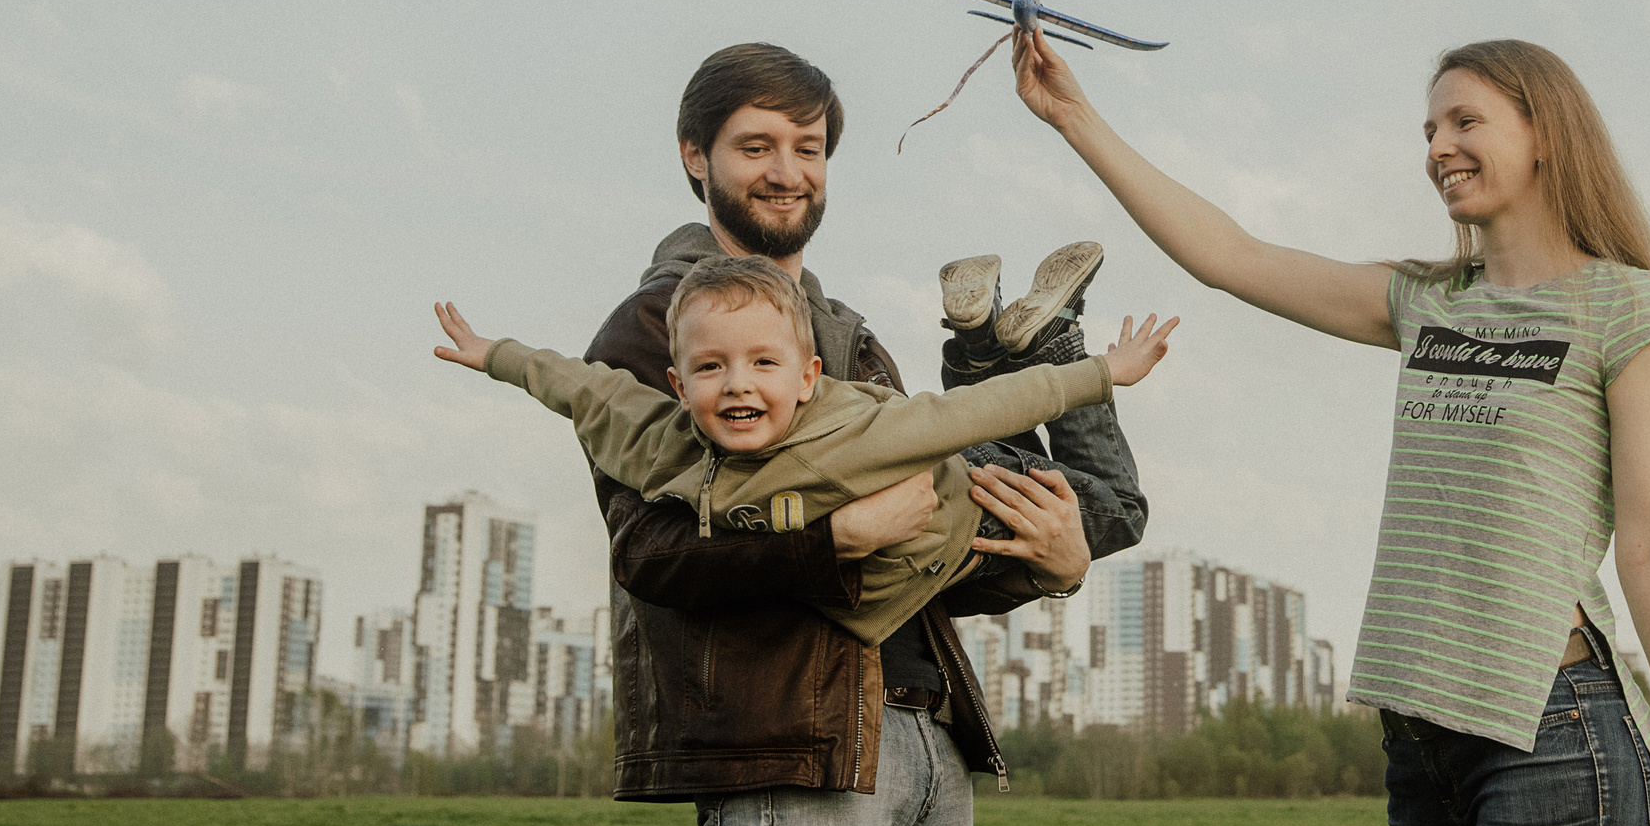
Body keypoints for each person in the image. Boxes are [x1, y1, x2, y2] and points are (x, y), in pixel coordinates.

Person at [1010, 32, 1650, 826]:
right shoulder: (1427, 300)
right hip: (1420, 740)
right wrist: (1075, 117)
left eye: (1465, 121)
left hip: (1554, 733)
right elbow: (1231, 256)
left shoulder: (1623, 307)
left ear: (1545, 134)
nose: (1437, 147)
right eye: (1428, 128)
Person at [583, 43, 1150, 826]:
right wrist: (836, 535)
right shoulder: (656, 328)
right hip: (795, 751)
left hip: (926, 737)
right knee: (1115, 501)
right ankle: (1014, 349)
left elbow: (921, 552)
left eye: (808, 148)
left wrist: (1052, 567)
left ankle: (1003, 351)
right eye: (756, 146)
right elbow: (654, 555)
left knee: (1101, 515)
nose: (787, 171)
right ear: (696, 156)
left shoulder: (843, 334)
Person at [432, 255, 1174, 645]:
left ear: (808, 376)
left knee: (1122, 509)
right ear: (676, 383)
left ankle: (1046, 338)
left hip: (969, 503)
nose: (736, 385)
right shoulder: (663, 443)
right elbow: (584, 388)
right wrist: (496, 352)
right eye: (711, 368)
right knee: (1014, 451)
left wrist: (1103, 371)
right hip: (946, 492)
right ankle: (984, 333)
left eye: (763, 364)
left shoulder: (855, 437)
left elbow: (979, 411)